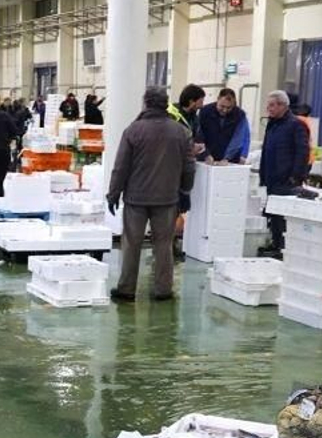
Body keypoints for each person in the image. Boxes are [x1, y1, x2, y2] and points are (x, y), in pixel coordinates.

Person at [105, 86, 194, 303]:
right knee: (163, 244)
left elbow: (121, 167)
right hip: (167, 198)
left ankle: (126, 289)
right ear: (165, 104)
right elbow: (189, 166)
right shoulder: (181, 132)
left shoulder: (133, 131)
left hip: (136, 198)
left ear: (145, 103)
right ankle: (163, 290)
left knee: (132, 244)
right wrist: (185, 189)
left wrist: (114, 193)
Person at [258, 90, 310, 259]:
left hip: (286, 180)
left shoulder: (296, 125)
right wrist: (263, 174)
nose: (268, 109)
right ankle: (275, 243)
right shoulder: (272, 124)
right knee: (273, 213)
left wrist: (295, 177)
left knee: (283, 216)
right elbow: (266, 149)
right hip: (272, 179)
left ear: (282, 105)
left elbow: (302, 152)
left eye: (272, 105)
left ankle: (283, 248)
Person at [168, 85, 208, 238]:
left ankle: (172, 241)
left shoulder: (194, 118)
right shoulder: (172, 115)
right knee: (169, 208)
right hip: (171, 168)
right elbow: (171, 142)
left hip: (185, 167)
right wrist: (191, 147)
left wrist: (201, 149)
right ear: (192, 101)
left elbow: (198, 137)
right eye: (201, 101)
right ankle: (166, 244)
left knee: (178, 207)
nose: (202, 104)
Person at [197, 87, 250, 164]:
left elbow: (238, 139)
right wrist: (206, 154)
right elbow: (199, 135)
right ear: (218, 99)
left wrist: (227, 158)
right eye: (222, 106)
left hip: (230, 160)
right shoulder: (205, 111)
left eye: (229, 108)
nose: (225, 110)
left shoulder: (240, 115)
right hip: (206, 158)